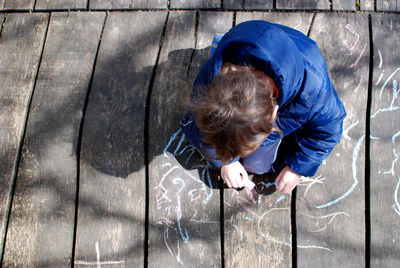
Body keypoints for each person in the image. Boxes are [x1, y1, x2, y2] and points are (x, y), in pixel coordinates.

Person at [180, 20, 346, 194]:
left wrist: (297, 168)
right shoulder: (211, 82)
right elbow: (201, 128)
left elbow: (327, 132)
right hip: (255, 46)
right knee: (246, 159)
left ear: (275, 113)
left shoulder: (314, 94)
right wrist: (226, 162)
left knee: (256, 166)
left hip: (299, 59)